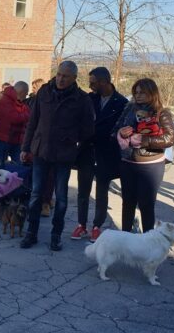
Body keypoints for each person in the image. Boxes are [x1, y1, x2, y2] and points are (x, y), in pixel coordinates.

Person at [19, 61, 95, 251]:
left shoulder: (82, 99)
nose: (60, 79)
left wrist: (71, 139)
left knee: (61, 198)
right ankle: (31, 233)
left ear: (74, 79)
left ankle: (56, 236)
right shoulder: (44, 92)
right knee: (36, 194)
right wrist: (25, 147)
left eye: (65, 76)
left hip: (64, 155)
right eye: (59, 74)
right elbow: (32, 122)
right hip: (40, 152)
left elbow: (88, 130)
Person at [73, 67, 128, 242]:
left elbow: (120, 128)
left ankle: (97, 226)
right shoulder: (89, 99)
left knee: (101, 191)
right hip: (87, 151)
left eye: (93, 82)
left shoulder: (122, 103)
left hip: (106, 153)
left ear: (104, 81)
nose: (90, 85)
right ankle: (81, 225)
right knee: (83, 191)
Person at [114, 78, 174, 234]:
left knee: (146, 205)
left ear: (152, 93)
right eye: (136, 92)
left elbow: (169, 138)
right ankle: (126, 238)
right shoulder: (129, 109)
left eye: (142, 92)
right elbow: (114, 130)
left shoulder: (162, 113)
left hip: (151, 165)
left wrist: (145, 140)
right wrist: (121, 133)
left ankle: (148, 240)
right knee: (127, 204)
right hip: (127, 162)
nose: (138, 95)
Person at [0, 81, 30, 165]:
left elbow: (24, 113)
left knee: (18, 164)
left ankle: (15, 178)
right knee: (0, 164)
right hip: (3, 139)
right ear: (21, 92)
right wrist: (27, 115)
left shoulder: (18, 101)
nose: (26, 96)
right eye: (26, 94)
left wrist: (25, 114)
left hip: (16, 139)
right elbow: (15, 118)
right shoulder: (6, 99)